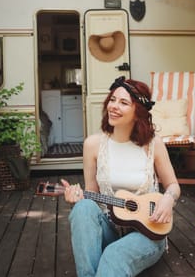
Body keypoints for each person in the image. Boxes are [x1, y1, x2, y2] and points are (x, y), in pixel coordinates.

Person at [62, 76, 180, 277]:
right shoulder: (93, 145)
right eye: (112, 99)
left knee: (114, 254)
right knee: (83, 207)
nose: (113, 106)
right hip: (111, 229)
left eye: (123, 102)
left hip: (148, 232)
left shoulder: (153, 144)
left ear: (138, 112)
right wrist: (76, 200)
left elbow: (173, 185)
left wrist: (168, 199)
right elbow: (91, 194)